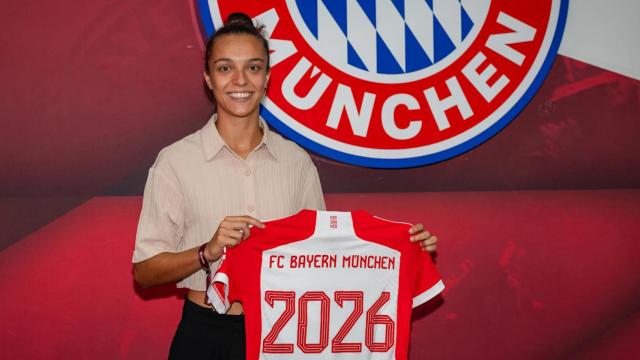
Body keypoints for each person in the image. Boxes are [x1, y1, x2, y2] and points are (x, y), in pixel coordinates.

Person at [132, 12, 438, 359]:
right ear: (207, 77)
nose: (240, 80)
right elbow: (145, 271)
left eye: (253, 67)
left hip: (285, 335)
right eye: (224, 67)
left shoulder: (296, 162)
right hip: (206, 333)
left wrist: (400, 251)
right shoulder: (175, 162)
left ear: (267, 77)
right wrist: (207, 251)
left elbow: (328, 261)